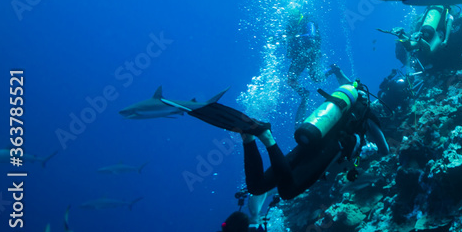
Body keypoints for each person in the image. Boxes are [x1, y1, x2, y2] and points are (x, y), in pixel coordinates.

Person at [165, 81, 388, 201]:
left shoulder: (340, 106)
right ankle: (265, 137)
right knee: (288, 191)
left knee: (256, 187)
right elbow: (384, 150)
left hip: (307, 142)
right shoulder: (367, 114)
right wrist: (372, 149)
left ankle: (249, 138)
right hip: (328, 151)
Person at [282, 0, 325, 124]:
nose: (291, 18)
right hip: (300, 56)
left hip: (311, 53)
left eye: (293, 14)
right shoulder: (291, 26)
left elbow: (311, 36)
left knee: (317, 78)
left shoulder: (307, 20)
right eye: (289, 15)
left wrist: (292, 37)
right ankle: (304, 94)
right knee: (290, 79)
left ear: (298, 12)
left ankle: (334, 69)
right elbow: (288, 41)